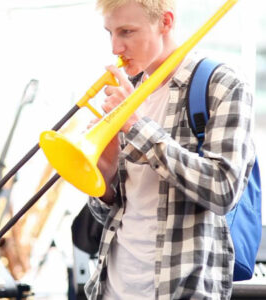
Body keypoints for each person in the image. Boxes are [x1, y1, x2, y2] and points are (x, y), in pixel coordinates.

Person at [84, 0, 256, 299]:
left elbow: (224, 190)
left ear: (166, 22)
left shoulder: (222, 83)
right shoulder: (130, 90)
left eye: (127, 31)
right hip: (112, 287)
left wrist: (136, 126)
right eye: (109, 32)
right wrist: (104, 179)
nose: (115, 47)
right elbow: (109, 214)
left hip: (181, 288)